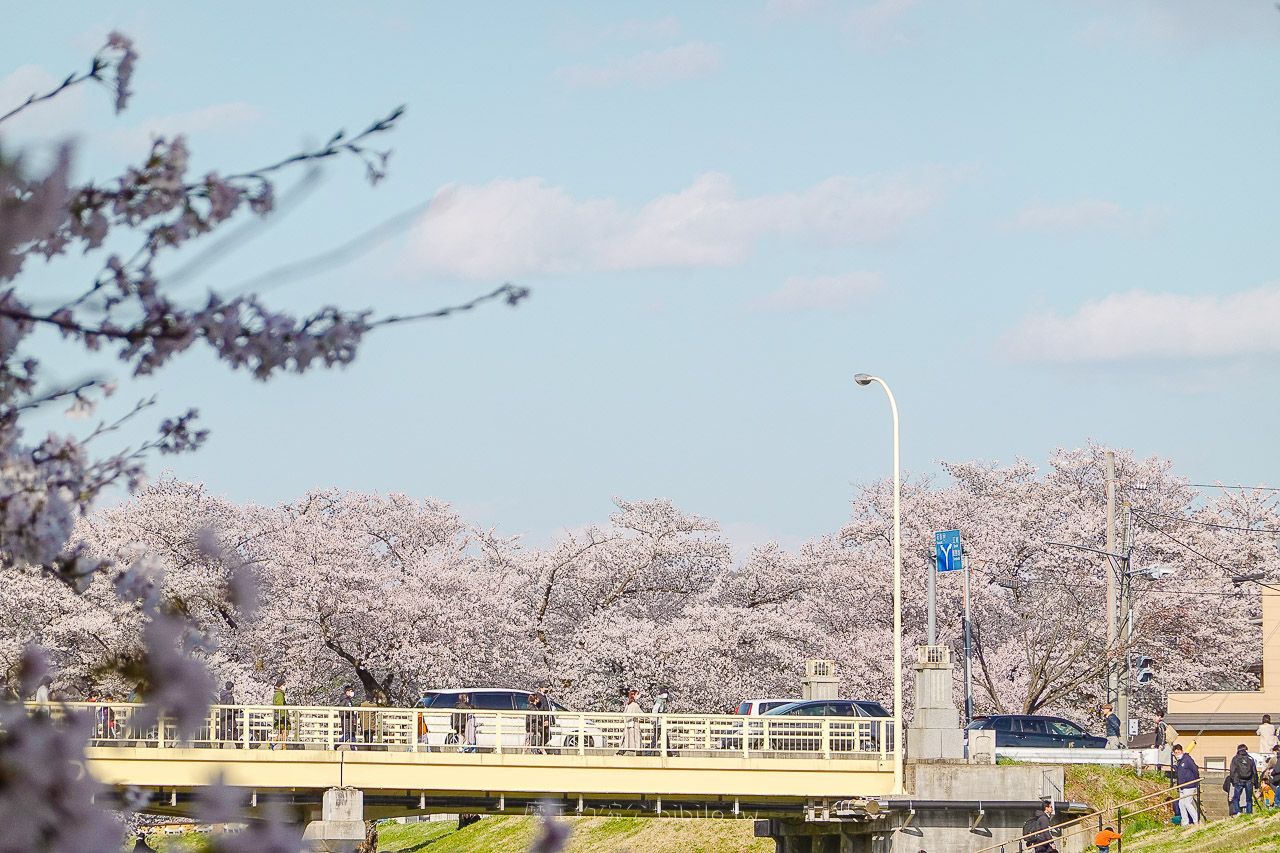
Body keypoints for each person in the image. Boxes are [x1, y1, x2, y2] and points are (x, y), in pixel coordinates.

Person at [1172, 743, 1200, 824]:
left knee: (1187, 803)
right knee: (1181, 804)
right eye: (1176, 753)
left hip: (1190, 785)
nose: (1177, 754)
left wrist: (1195, 780)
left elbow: (1195, 769)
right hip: (1182, 786)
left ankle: (1196, 820)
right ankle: (1185, 822)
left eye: (1179, 752)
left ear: (1182, 751)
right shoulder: (1179, 762)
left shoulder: (1187, 759)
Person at [1228, 742, 1258, 816]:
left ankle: (1238, 812)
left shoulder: (1235, 758)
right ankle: (1249, 812)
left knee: (1236, 797)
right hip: (1249, 780)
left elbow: (1232, 771)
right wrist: (1256, 784)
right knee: (1249, 798)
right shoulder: (1250, 759)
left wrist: (1233, 781)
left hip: (1238, 780)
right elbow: (1254, 771)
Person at [619, 689, 643, 754]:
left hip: (628, 724)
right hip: (634, 724)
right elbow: (642, 715)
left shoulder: (628, 705)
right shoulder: (635, 705)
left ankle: (621, 751)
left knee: (626, 738)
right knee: (637, 739)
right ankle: (638, 752)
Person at [217, 681, 238, 746]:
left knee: (223, 731)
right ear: (232, 688)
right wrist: (237, 710)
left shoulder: (222, 696)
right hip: (229, 716)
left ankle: (220, 746)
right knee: (234, 730)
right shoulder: (230, 696)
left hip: (223, 716)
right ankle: (238, 746)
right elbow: (230, 706)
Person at [650, 686, 670, 755]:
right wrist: (654, 719)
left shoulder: (662, 701)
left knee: (661, 737)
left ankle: (649, 752)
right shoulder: (659, 701)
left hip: (661, 723)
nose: (666, 695)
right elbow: (655, 710)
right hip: (658, 723)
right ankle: (649, 752)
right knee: (657, 737)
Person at [271, 677, 289, 748]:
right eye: (284, 685)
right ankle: (281, 746)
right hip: (281, 716)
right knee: (285, 732)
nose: (285, 686)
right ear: (280, 686)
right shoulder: (279, 695)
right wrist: (283, 716)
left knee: (282, 733)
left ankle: (273, 743)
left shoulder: (278, 694)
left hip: (279, 716)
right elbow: (280, 706)